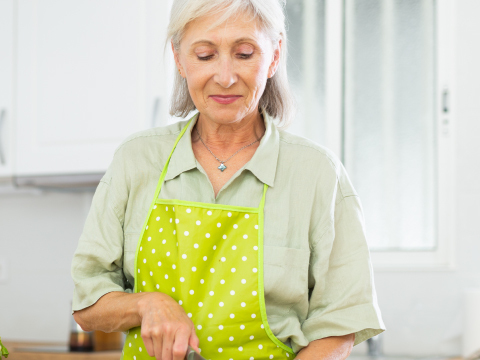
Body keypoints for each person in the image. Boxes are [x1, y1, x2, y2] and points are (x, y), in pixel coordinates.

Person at [70, 0, 385, 359]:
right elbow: (87, 302)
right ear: (179, 58)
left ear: (275, 54)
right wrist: (147, 304)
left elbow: (338, 324)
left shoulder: (317, 175)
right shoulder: (137, 160)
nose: (224, 76)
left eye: (244, 53)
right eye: (205, 55)